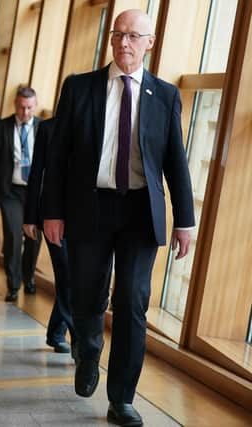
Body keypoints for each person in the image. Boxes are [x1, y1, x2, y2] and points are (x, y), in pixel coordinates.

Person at [42, 9, 195, 426]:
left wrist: (185, 219)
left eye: (133, 36)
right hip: (90, 207)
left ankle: (122, 398)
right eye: (118, 35)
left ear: (150, 41)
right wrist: (51, 212)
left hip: (140, 211)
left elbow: (174, 160)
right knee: (90, 295)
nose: (124, 43)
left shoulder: (165, 95)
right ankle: (88, 351)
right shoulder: (80, 88)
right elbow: (58, 158)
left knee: (132, 300)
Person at [0, 86, 42, 302]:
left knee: (34, 238)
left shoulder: (42, 127)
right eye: (22, 107)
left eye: (29, 108)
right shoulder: (1, 127)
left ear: (35, 106)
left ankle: (29, 277)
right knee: (14, 237)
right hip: (9, 191)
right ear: (15, 105)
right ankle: (13, 284)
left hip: (35, 192)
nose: (25, 112)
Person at [22, 118, 74, 354]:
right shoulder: (48, 128)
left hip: (85, 219)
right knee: (66, 274)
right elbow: (37, 172)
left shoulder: (100, 124)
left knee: (73, 279)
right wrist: (30, 217)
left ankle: (56, 332)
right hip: (53, 216)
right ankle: (79, 339)